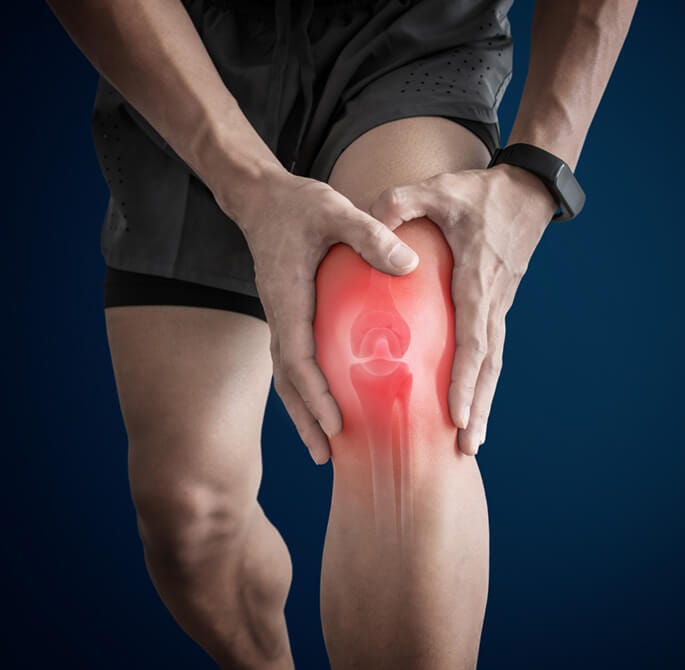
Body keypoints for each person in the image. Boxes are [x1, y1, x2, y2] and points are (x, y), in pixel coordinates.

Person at [48, 0, 637, 667]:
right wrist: (250, 186)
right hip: (185, 46)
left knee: (395, 372)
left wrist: (538, 174)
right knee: (190, 520)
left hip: (410, 31)